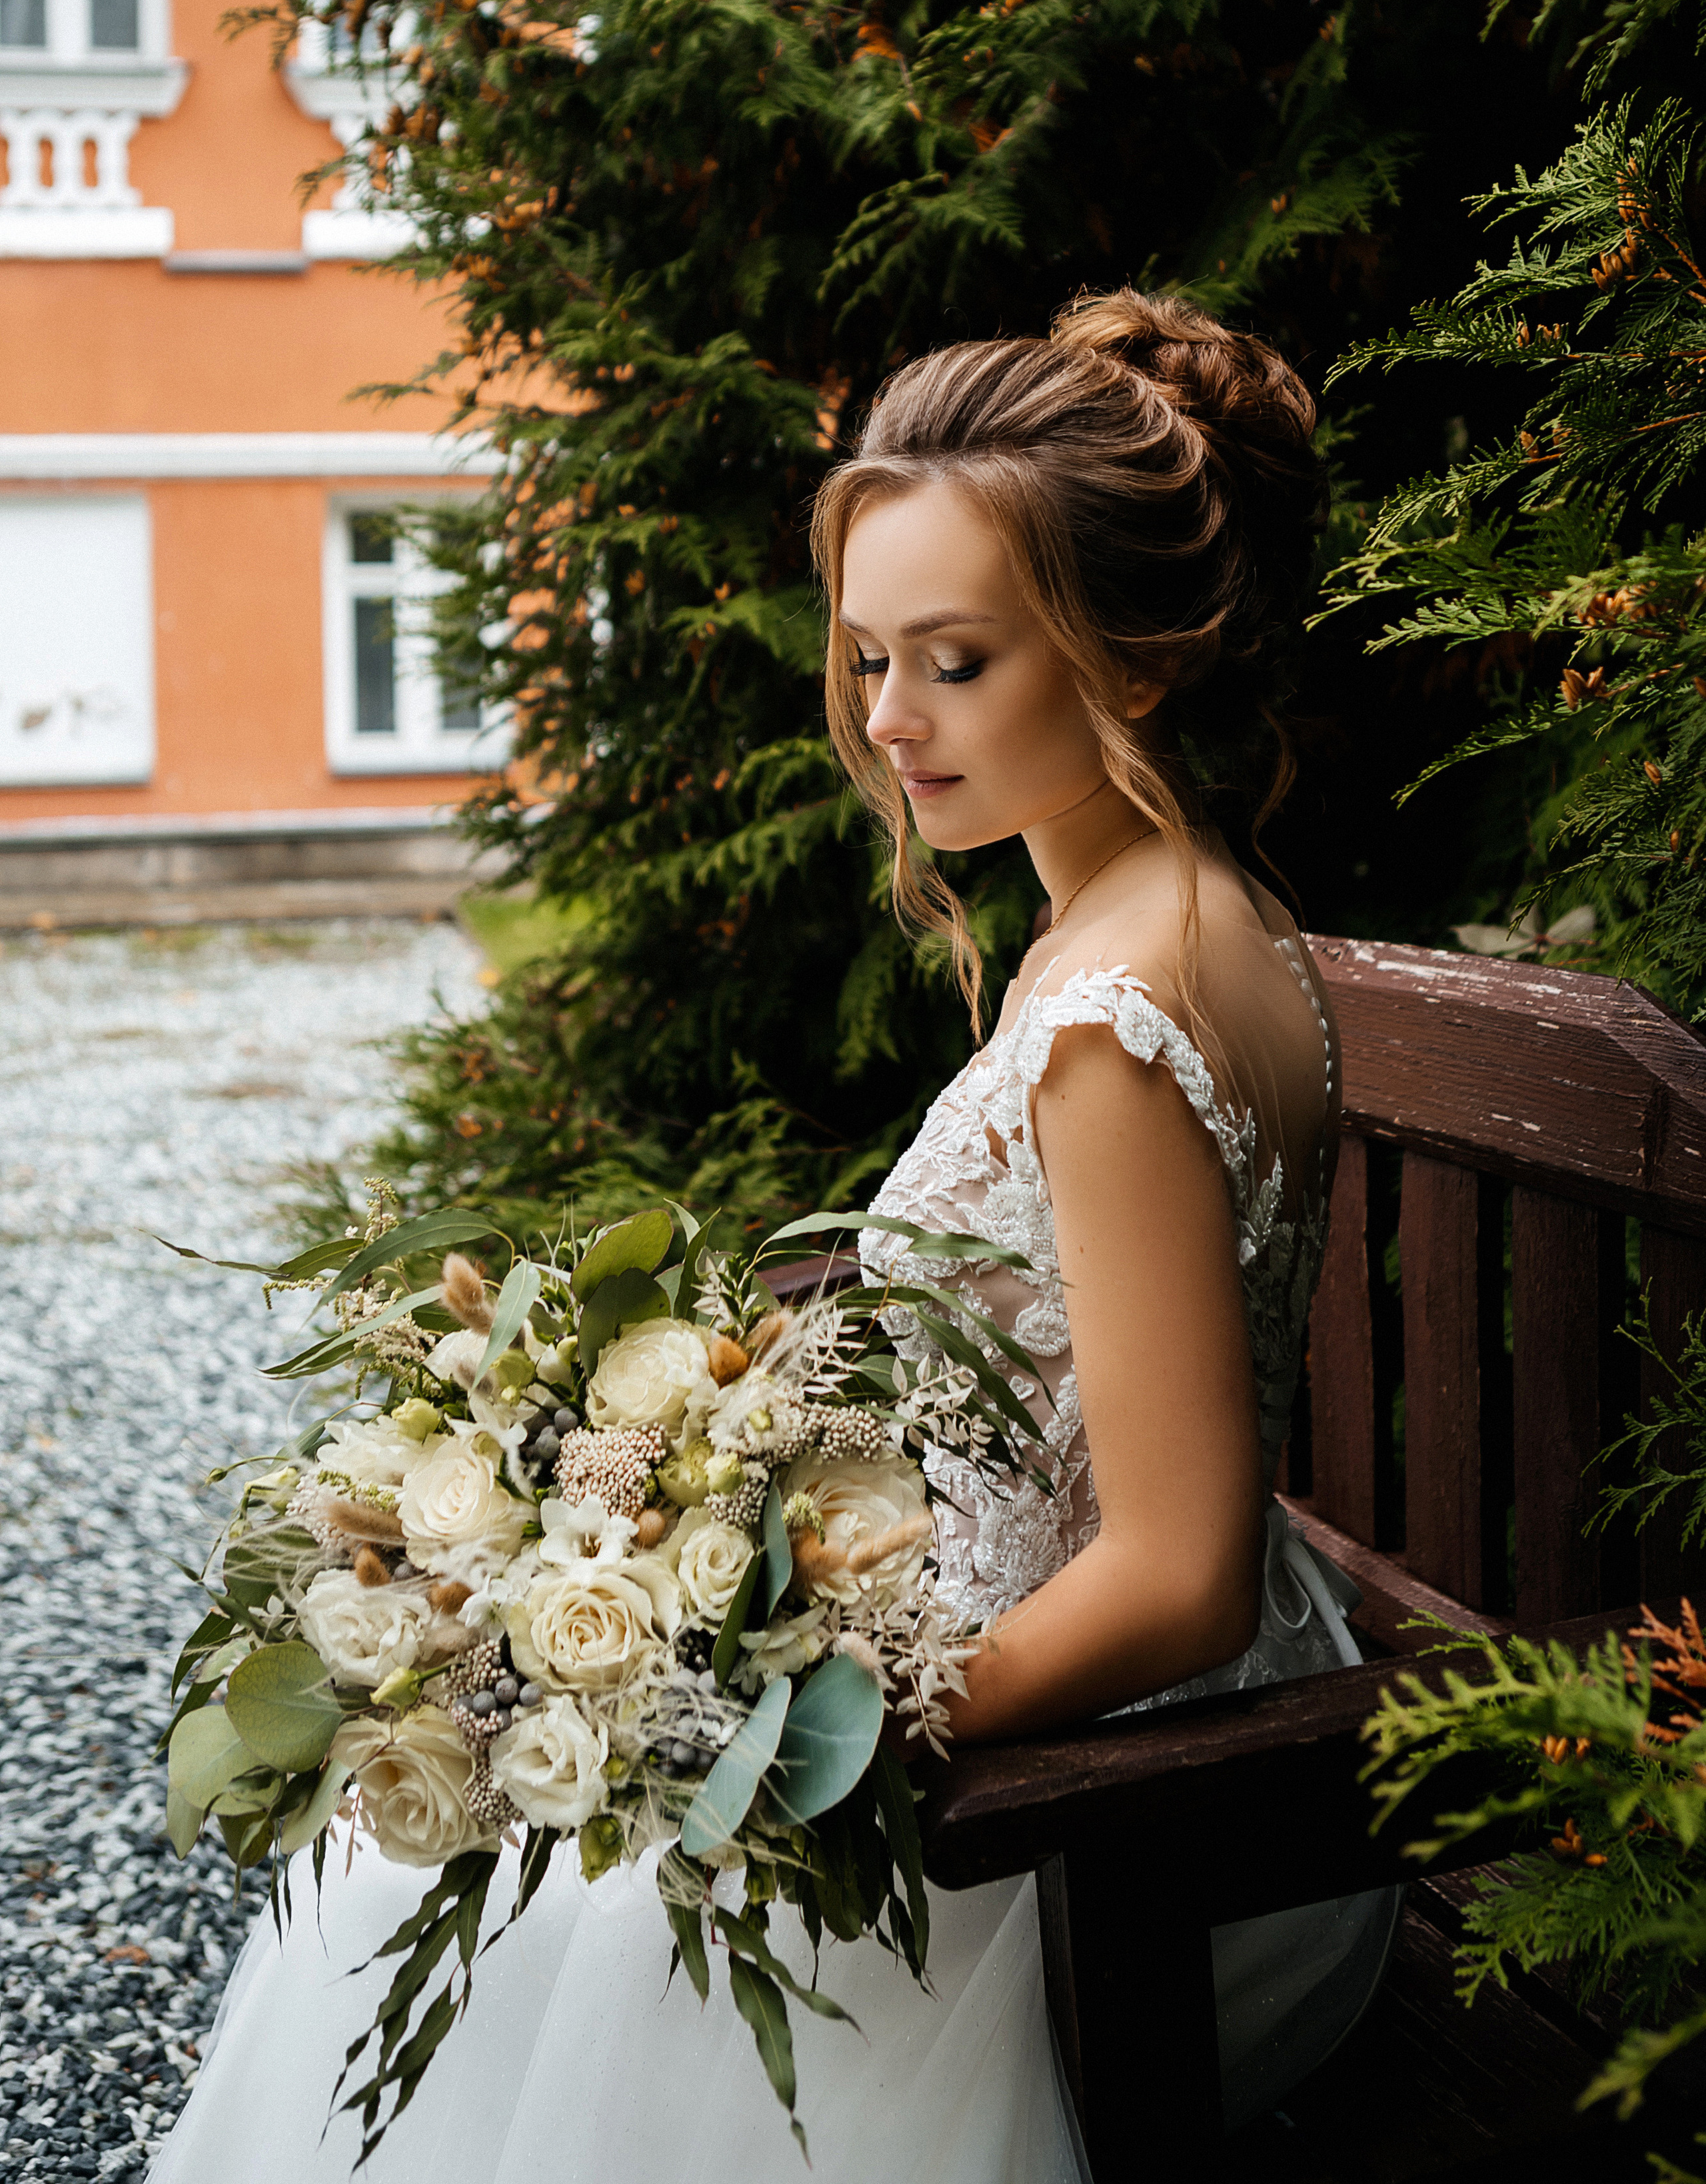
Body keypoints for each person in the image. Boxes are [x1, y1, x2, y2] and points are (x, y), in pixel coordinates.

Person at [150, 290, 1395, 2184]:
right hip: (1093, 1728)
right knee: (452, 1860)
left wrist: (799, 1729)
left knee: (496, 1914)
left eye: (957, 661)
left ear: (1130, 663)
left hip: (1130, 1816)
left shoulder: (1119, 1019)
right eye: (873, 653)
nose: (890, 720)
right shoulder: (1145, 915)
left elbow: (1178, 1569)